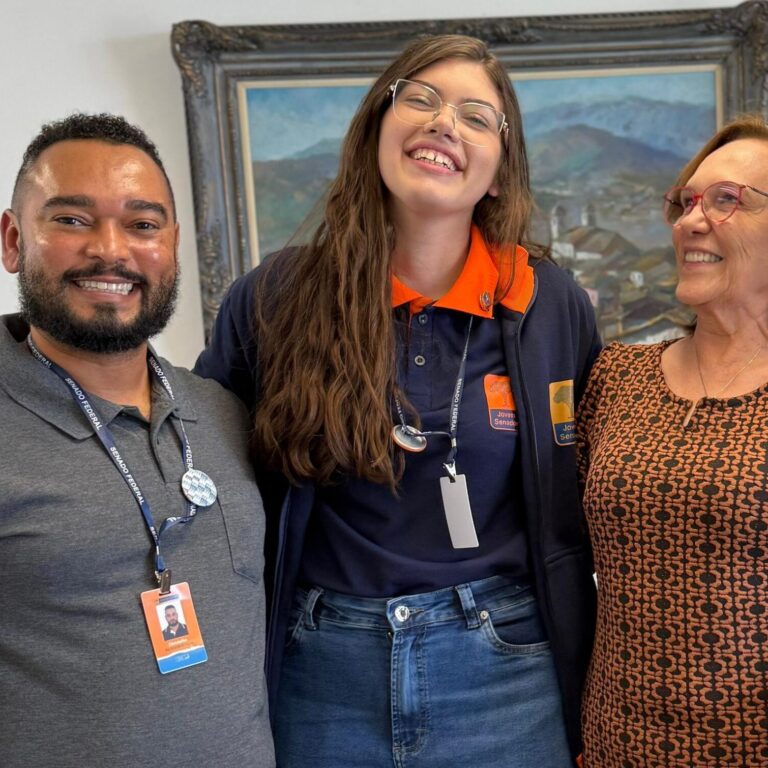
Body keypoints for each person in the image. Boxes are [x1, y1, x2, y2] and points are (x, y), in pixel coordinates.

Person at [196, 35, 599, 768]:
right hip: (318, 671)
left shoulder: (549, 302)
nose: (445, 122)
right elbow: (207, 472)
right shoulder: (277, 295)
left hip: (503, 668)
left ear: (501, 172)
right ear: (374, 129)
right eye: (421, 98)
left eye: (477, 117)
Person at [0, 114, 275, 768]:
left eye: (143, 225)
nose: (112, 250)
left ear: (173, 245)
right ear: (12, 239)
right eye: (71, 220)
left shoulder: (224, 412)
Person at [577, 114, 768, 766]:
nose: (690, 221)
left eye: (726, 201)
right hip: (613, 743)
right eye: (686, 202)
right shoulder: (617, 378)